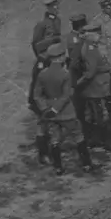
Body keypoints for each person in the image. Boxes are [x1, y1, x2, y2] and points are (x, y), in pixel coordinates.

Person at [34, 43, 95, 175]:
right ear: (61, 57)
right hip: (66, 111)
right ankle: (86, 164)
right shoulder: (65, 74)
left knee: (55, 139)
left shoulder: (42, 74)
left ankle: (58, 167)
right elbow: (66, 94)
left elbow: (37, 95)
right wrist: (56, 109)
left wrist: (45, 109)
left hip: (49, 112)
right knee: (78, 135)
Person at [77, 21, 111, 152]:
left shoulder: (91, 46)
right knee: (102, 115)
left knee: (94, 114)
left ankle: (94, 140)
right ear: (88, 35)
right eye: (96, 33)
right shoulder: (90, 49)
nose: (99, 34)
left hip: (96, 87)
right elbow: (90, 72)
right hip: (96, 88)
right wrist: (78, 83)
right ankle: (107, 142)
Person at [29, 0, 63, 116]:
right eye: (55, 6)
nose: (58, 8)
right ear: (50, 7)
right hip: (45, 57)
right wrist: (42, 56)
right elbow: (35, 44)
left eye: (57, 5)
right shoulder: (42, 25)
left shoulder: (57, 21)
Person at [65, 13, 89, 138]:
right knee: (80, 106)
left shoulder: (74, 37)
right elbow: (75, 62)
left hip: (78, 74)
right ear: (80, 26)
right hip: (77, 75)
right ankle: (83, 134)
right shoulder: (75, 40)